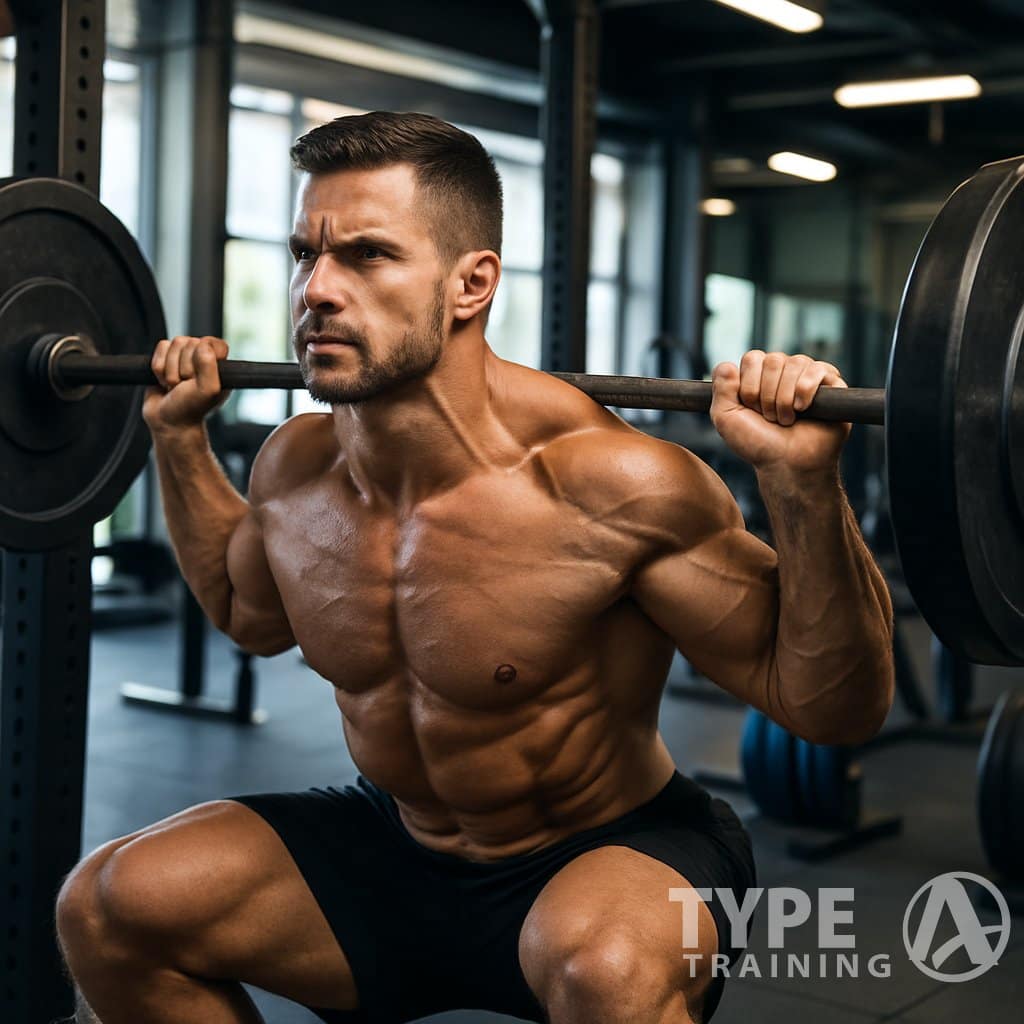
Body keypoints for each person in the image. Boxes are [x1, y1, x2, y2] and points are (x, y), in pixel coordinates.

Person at [54, 111, 894, 1024]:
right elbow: (246, 614)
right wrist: (177, 440)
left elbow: (832, 709)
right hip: (398, 842)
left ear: (471, 284)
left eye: (367, 255)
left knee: (606, 971)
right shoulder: (295, 469)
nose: (316, 290)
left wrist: (802, 486)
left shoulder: (614, 485)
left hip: (605, 852)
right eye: (305, 254)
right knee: (108, 906)